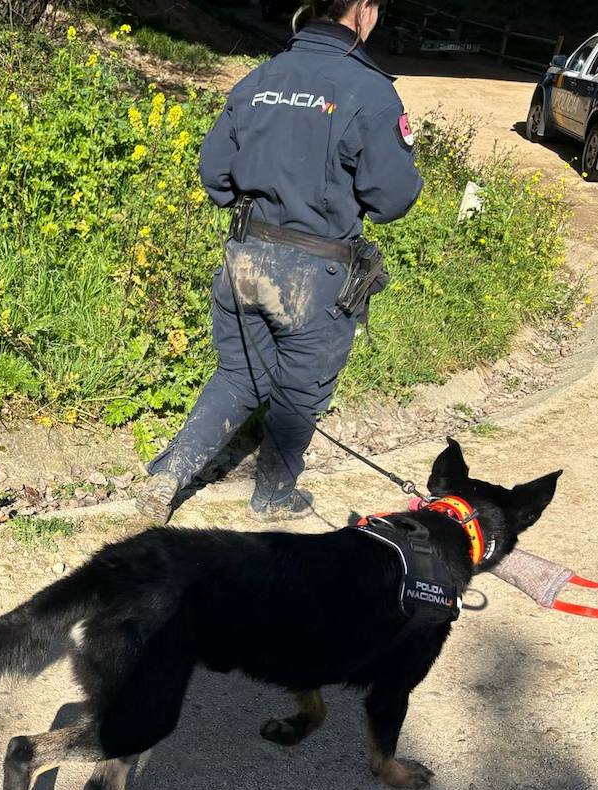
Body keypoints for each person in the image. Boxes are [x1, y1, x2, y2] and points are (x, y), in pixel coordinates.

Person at [135, 0, 422, 524]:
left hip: (245, 258)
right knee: (299, 389)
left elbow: (215, 172)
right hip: (318, 272)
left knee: (238, 375)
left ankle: (170, 474)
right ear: (360, 8)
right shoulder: (372, 91)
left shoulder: (260, 77)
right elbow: (391, 200)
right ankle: (273, 495)